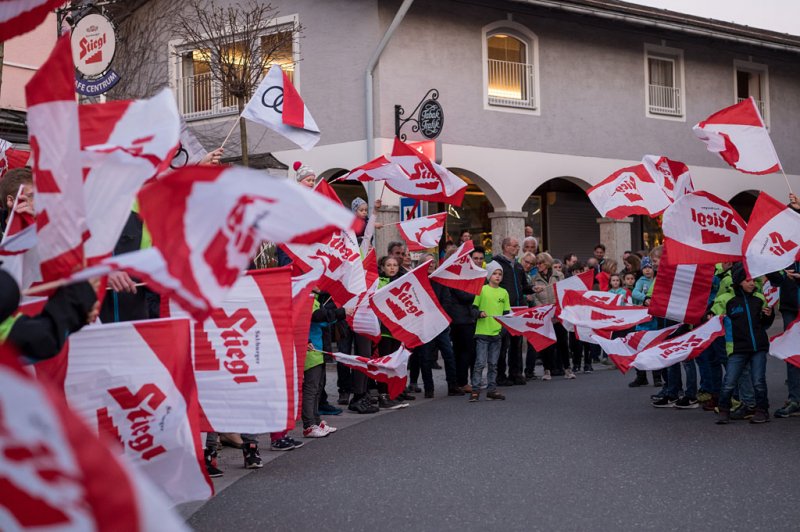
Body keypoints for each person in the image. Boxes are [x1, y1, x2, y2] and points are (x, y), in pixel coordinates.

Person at [716, 263, 774, 425]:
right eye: (748, 280)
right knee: (729, 381)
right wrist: (708, 316)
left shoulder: (759, 298)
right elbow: (712, 315)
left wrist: (769, 315)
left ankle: (762, 411)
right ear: (739, 280)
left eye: (754, 281)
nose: (752, 283)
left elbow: (764, 323)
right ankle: (724, 410)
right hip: (737, 348)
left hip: (758, 347)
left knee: (758, 381)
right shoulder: (726, 299)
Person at [766, 192, 800, 418]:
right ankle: (795, 399)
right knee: (791, 352)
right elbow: (772, 272)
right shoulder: (781, 242)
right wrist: (778, 274)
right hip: (790, 306)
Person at [493, 237, 533, 386]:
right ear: (506, 247)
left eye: (518, 246)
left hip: (518, 308)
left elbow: (523, 285)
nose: (518, 248)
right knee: (503, 344)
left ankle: (516, 373)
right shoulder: (496, 264)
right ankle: (500, 375)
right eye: (515, 246)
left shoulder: (518, 266)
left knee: (517, 343)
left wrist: (533, 288)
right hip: (504, 309)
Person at [469, 261, 509, 402]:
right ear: (488, 275)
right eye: (494, 274)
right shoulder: (481, 290)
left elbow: (507, 315)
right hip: (482, 333)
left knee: (493, 364)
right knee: (480, 363)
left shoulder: (504, 293)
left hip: (496, 334)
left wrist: (501, 332)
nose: (497, 276)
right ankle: (475, 390)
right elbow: (473, 309)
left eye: (500, 274)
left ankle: (491, 390)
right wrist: (479, 314)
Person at [532, 252, 570, 379]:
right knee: (546, 343)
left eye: (540, 263)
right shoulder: (535, 278)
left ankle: (567, 369)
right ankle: (547, 370)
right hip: (544, 314)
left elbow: (563, 293)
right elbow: (534, 297)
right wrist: (542, 310)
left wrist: (557, 309)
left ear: (547, 263)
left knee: (563, 342)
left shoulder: (559, 276)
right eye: (536, 263)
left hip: (558, 313)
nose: (538, 266)